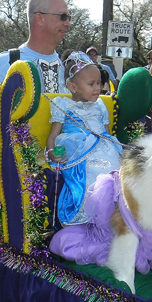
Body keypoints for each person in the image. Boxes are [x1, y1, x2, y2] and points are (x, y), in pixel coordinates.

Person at [0, 0, 70, 154]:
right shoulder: (5, 63)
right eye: (63, 17)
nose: (68, 23)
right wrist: (4, 157)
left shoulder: (69, 67)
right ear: (40, 18)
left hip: (64, 168)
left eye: (69, 17)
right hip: (19, 170)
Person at [45, 52, 122, 225]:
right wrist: (52, 153)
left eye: (99, 83)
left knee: (115, 169)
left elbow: (107, 133)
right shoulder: (63, 104)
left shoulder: (100, 105)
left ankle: (113, 210)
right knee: (94, 171)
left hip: (104, 147)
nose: (98, 88)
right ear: (72, 87)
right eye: (91, 84)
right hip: (79, 149)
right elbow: (53, 136)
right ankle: (92, 210)